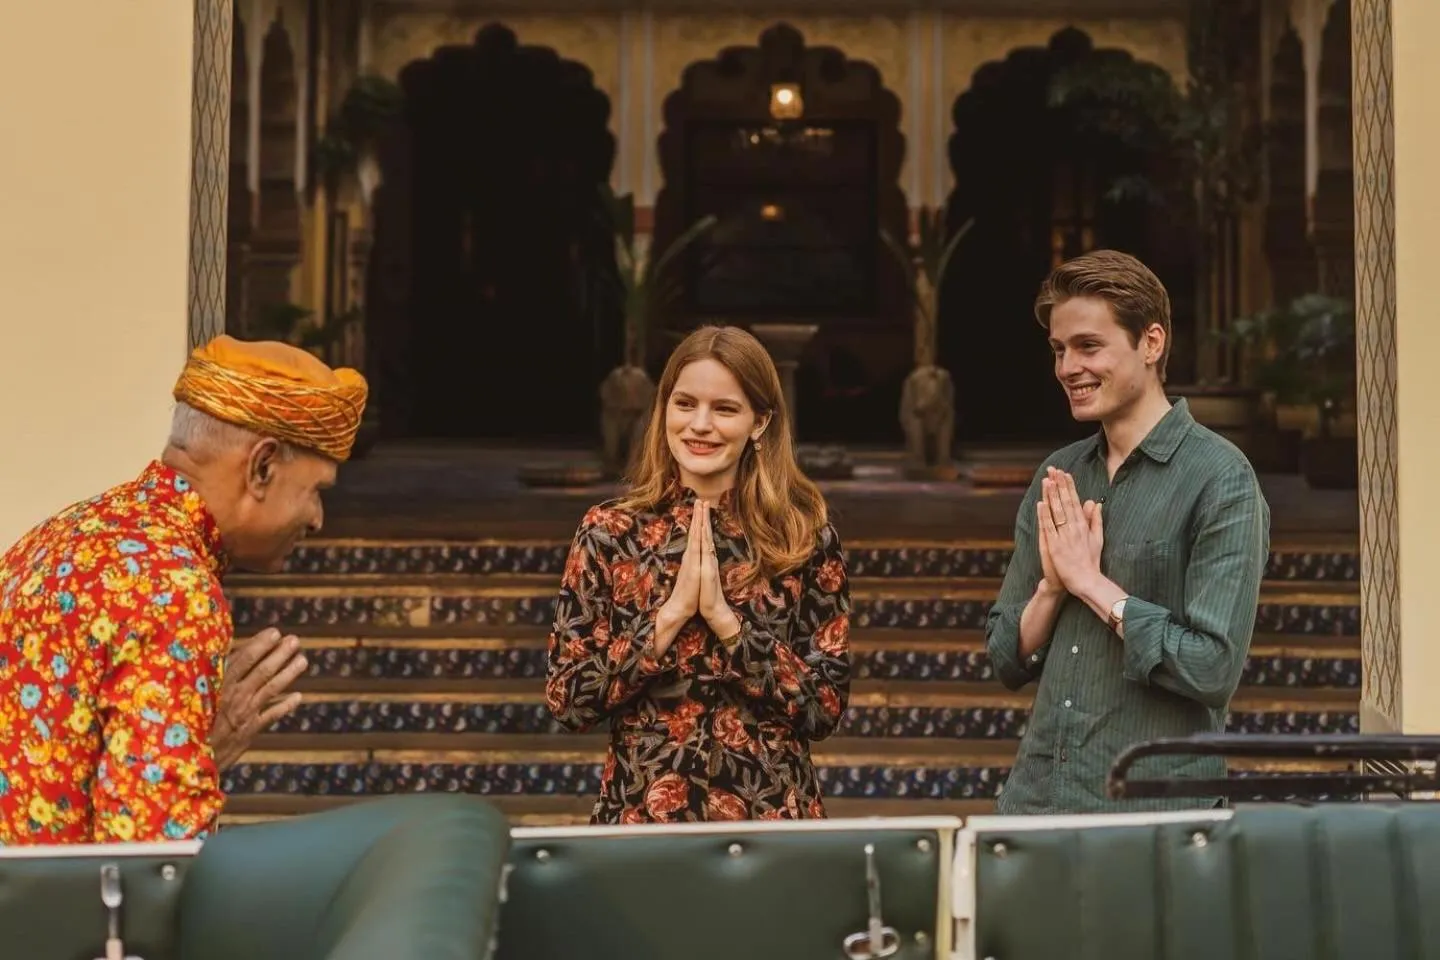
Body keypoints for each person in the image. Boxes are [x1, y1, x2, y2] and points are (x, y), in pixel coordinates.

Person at [0, 335, 368, 844]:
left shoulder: (58, 535)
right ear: (262, 467)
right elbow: (150, 859)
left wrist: (188, 751)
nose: (318, 520)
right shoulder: (175, 590)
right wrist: (200, 756)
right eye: (316, 491)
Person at [986, 250, 1270, 814]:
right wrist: (1052, 587)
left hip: (1153, 818)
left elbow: (1212, 668)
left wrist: (1093, 585)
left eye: (1089, 346)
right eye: (1059, 350)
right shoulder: (1059, 475)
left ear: (1151, 343)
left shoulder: (1220, 478)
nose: (1068, 368)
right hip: (1038, 803)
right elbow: (1003, 656)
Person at [546, 325, 851, 824]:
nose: (700, 425)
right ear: (664, 408)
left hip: (769, 820)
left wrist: (727, 625)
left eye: (725, 409)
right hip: (642, 817)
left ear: (759, 422)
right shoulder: (609, 533)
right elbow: (567, 700)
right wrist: (667, 621)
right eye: (685, 404)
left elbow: (824, 708)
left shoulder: (803, 537)